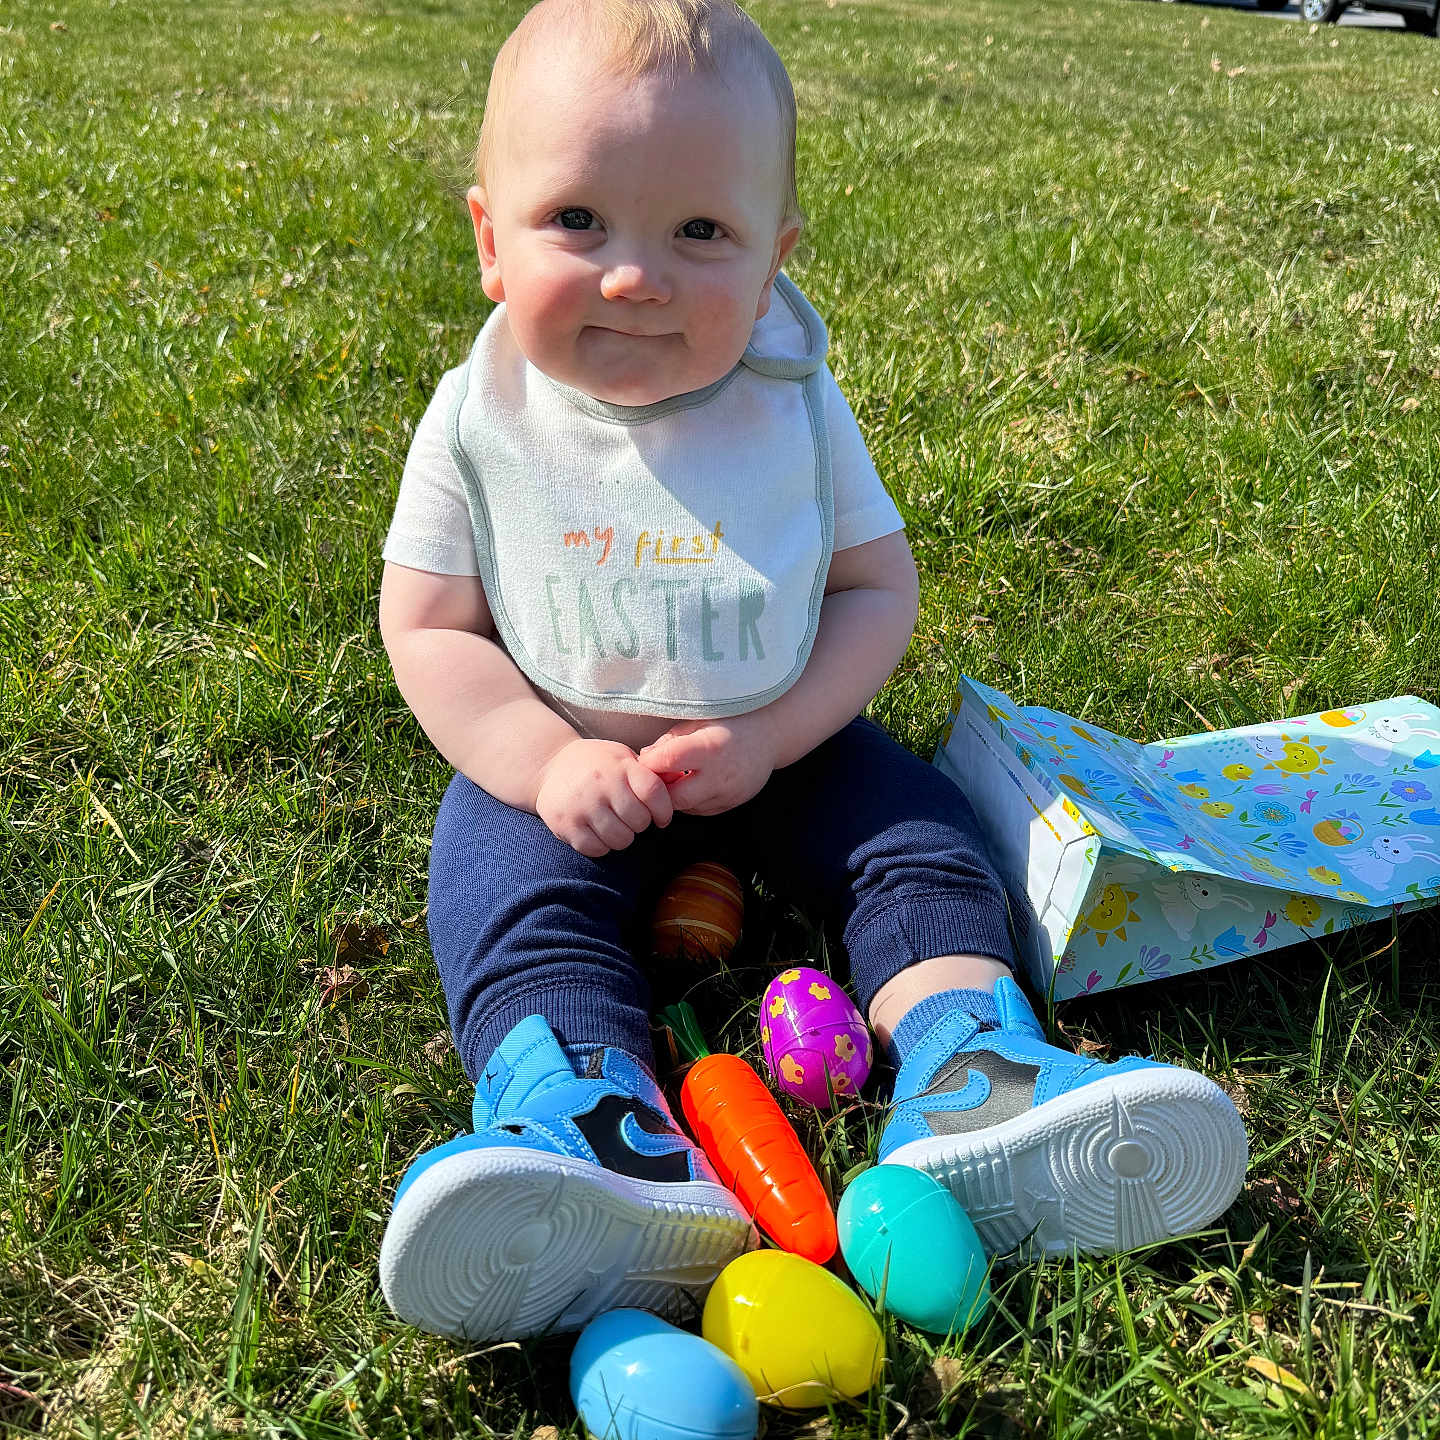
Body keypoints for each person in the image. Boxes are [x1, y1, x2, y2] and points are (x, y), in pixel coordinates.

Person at [375, 0, 1248, 1343]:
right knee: (504, 889)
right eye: (578, 223)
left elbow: (871, 590)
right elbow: (431, 627)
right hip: (558, 745)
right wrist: (541, 764)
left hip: (777, 740)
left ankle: (976, 1071)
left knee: (916, 842)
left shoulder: (790, 403)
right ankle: (588, 1127)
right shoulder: (481, 420)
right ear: (489, 238)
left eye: (700, 234)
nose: (635, 276)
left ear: (776, 259)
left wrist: (780, 732)